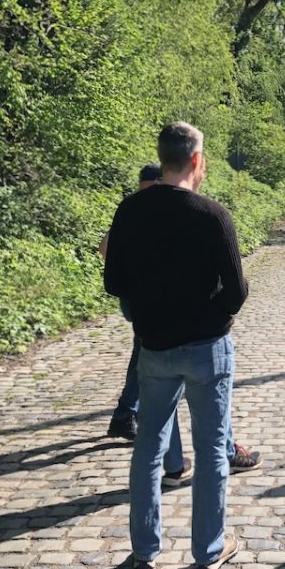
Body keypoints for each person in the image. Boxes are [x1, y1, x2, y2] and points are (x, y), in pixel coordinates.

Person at [104, 121, 246, 569]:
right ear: (197, 161)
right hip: (208, 348)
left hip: (154, 350)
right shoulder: (212, 215)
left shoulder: (129, 211)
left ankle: (145, 548)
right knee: (211, 449)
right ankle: (208, 550)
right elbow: (237, 294)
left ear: (162, 158)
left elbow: (114, 283)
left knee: (148, 448)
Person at [102, 165, 192, 487]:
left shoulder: (131, 208)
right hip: (151, 304)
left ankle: (127, 414)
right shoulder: (156, 209)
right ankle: (129, 416)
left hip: (135, 300)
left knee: (143, 351)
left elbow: (106, 251)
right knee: (150, 359)